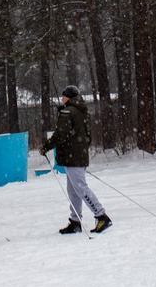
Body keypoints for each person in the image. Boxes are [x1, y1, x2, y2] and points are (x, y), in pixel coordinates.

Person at [39, 85, 111, 234]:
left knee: (80, 187)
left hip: (73, 157)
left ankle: (101, 215)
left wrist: (46, 146)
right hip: (79, 155)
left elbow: (60, 135)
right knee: (73, 190)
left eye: (64, 96)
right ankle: (75, 221)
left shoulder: (67, 112)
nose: (62, 99)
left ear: (69, 98)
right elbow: (87, 136)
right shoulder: (82, 111)